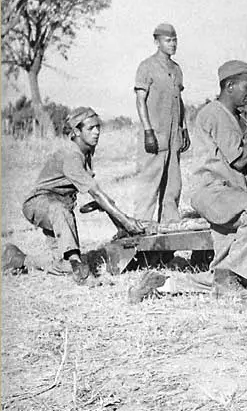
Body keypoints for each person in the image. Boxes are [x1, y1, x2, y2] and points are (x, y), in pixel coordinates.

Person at [185, 60, 247, 298]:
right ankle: (228, 280)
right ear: (229, 85)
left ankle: (163, 285)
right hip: (214, 193)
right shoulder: (215, 114)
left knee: (221, 274)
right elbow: (240, 161)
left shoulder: (237, 119)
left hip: (231, 196)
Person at [22, 107, 145, 284]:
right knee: (72, 254)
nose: (97, 132)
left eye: (98, 127)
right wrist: (125, 221)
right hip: (39, 204)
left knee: (62, 265)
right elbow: (95, 192)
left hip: (60, 206)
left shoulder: (85, 152)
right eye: (91, 128)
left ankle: (20, 259)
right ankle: (80, 271)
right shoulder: (72, 155)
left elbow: (97, 193)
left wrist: (118, 222)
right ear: (76, 132)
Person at [134, 23, 188, 223]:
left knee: (173, 184)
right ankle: (141, 227)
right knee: (149, 184)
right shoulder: (146, 67)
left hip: (173, 135)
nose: (172, 44)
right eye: (168, 40)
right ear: (157, 42)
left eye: (175, 40)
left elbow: (179, 100)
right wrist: (148, 131)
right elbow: (140, 100)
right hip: (155, 135)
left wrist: (184, 129)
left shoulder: (176, 69)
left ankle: (169, 227)